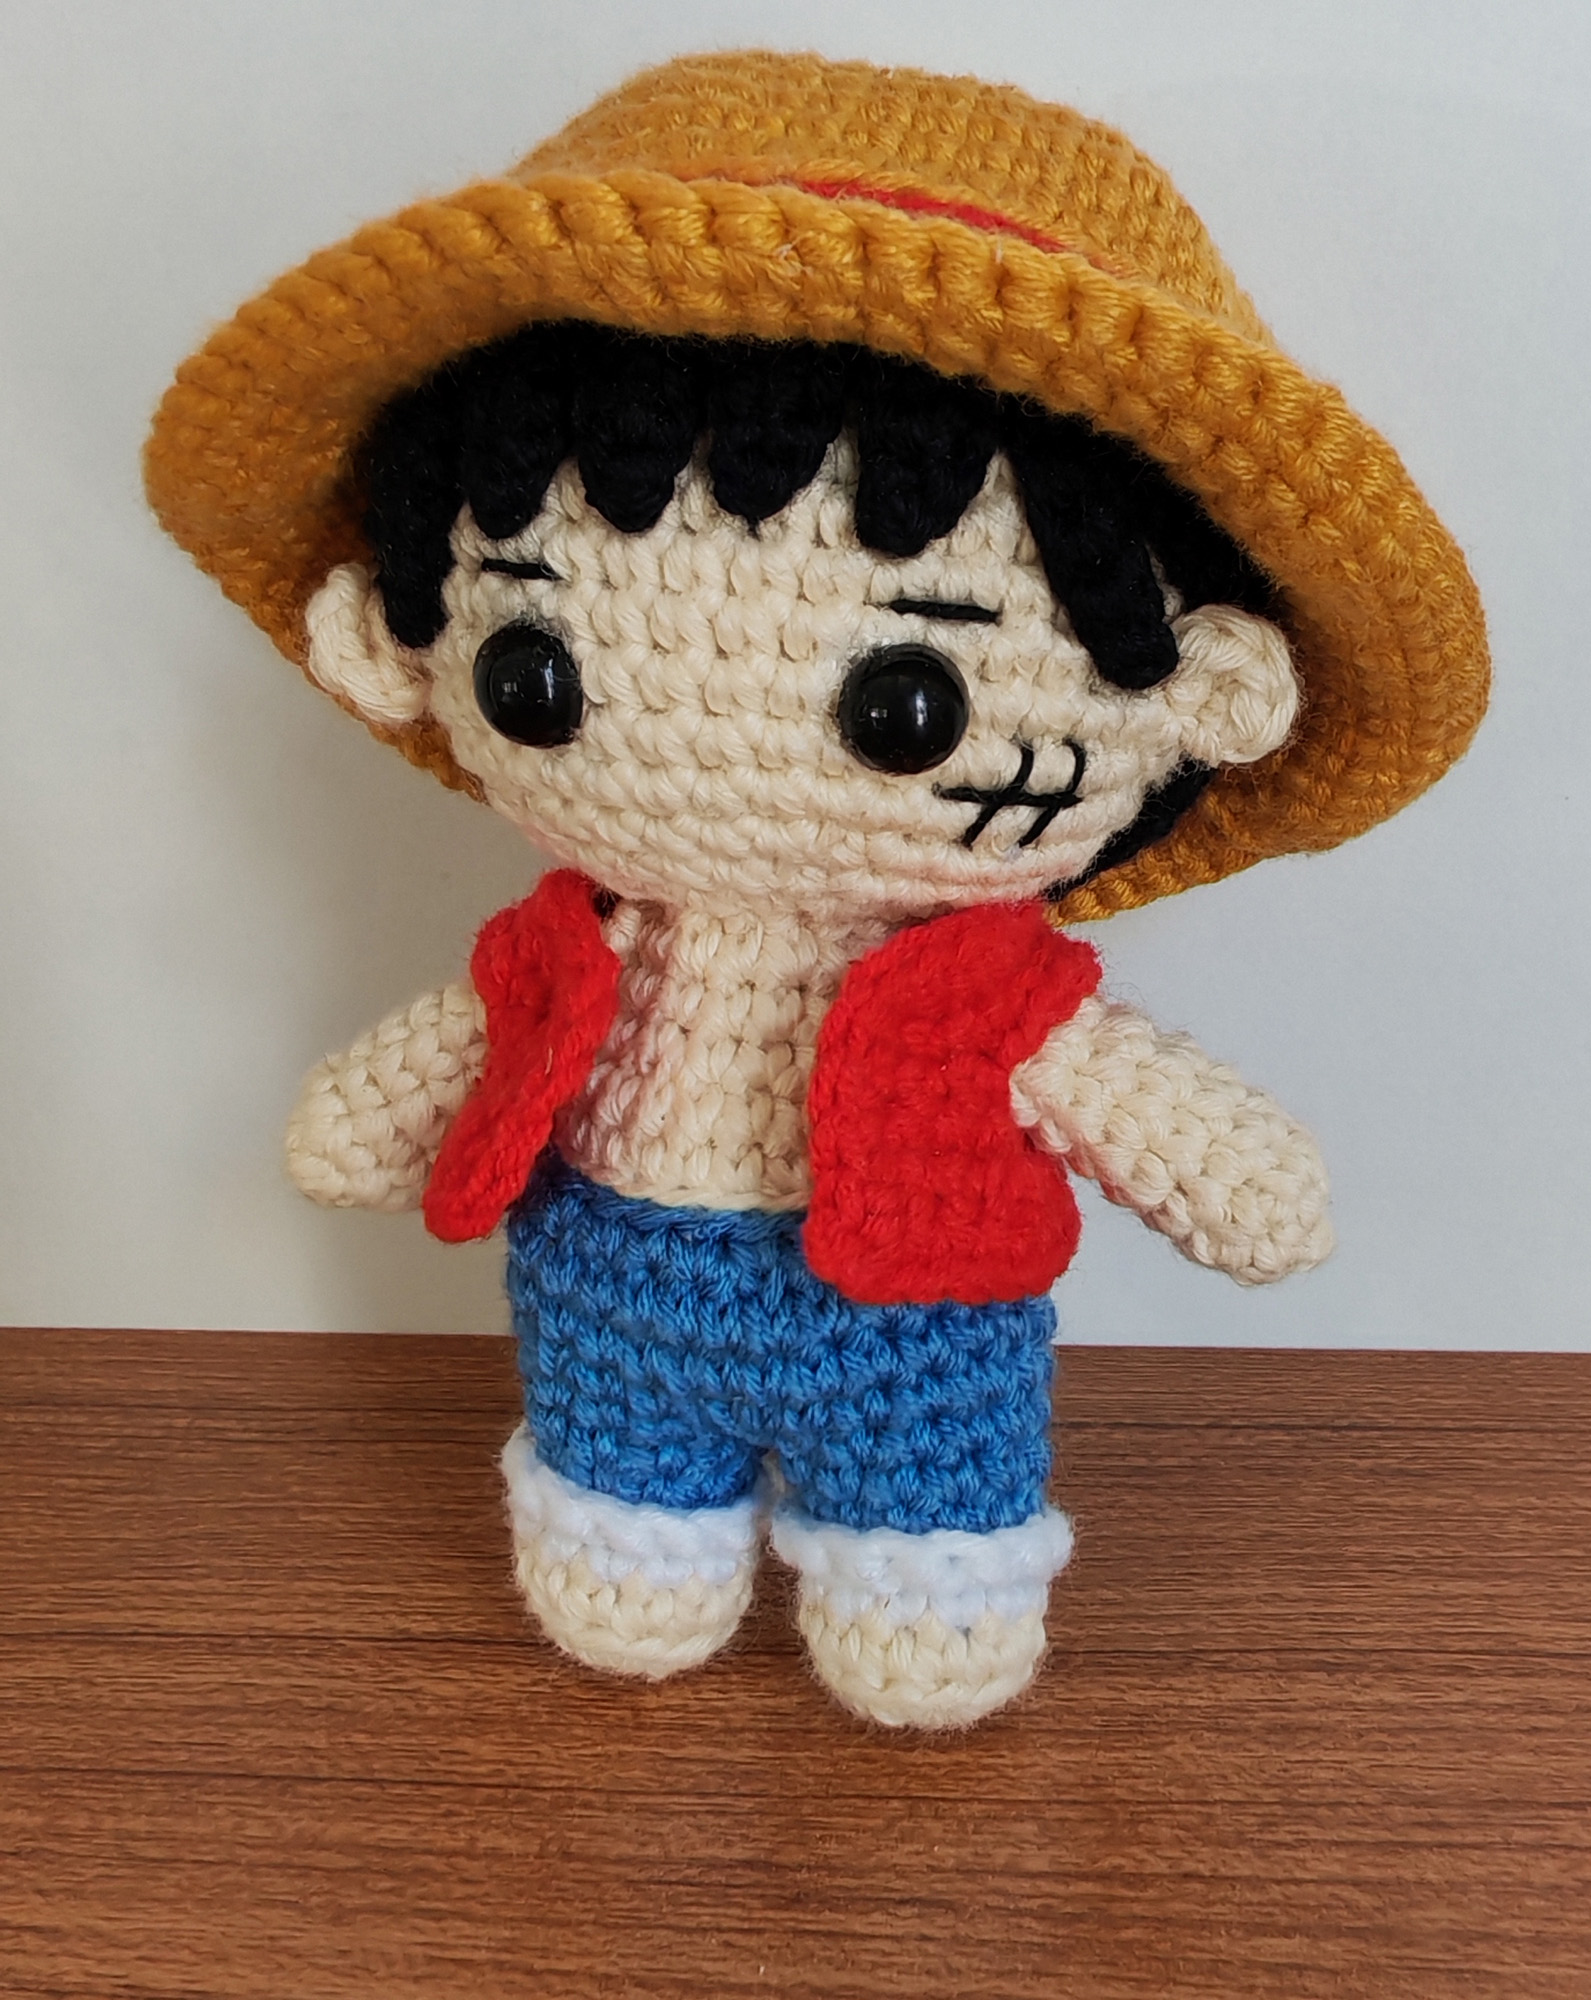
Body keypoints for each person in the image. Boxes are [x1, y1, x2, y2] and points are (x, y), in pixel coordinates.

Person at [146, 52, 1488, 1727]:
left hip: (915, 1327)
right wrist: (379, 1110)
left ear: (1200, 692)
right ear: (402, 645)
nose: (708, 749)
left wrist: (1228, 1176)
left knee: (924, 1559)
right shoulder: (573, 949)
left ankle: (918, 1567)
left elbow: (1144, 1114)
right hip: (609, 1299)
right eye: (538, 677)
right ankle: (640, 1531)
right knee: (624, 1540)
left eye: (906, 703)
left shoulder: (992, 996)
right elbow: (461, 1049)